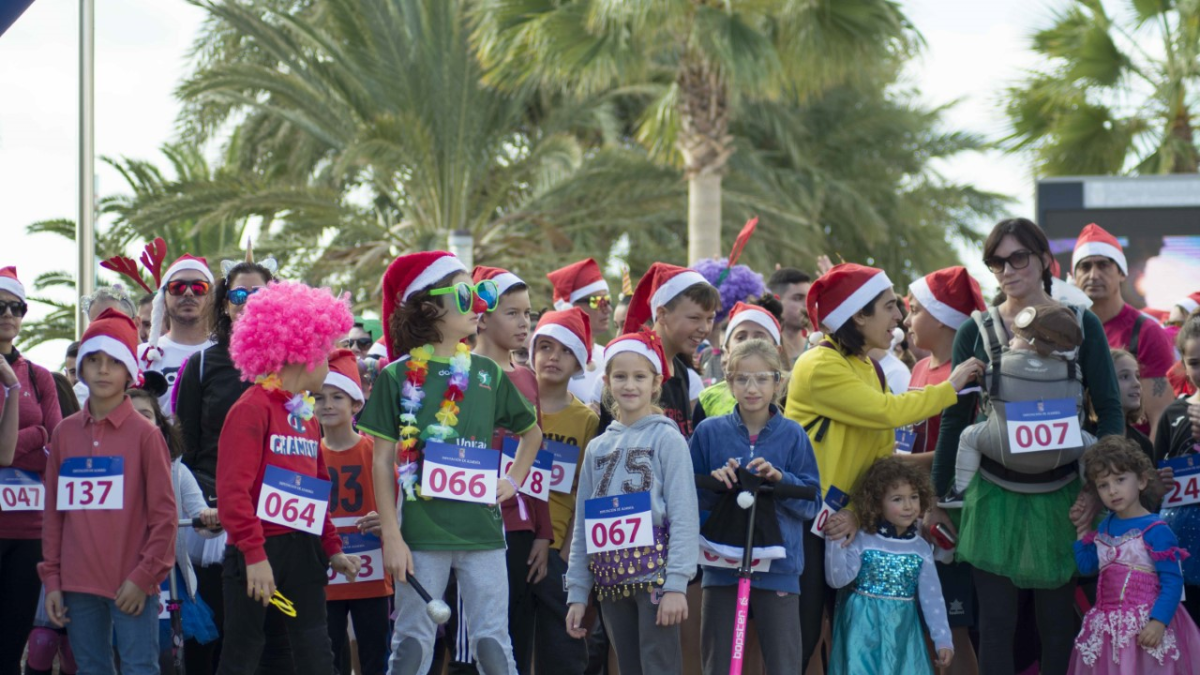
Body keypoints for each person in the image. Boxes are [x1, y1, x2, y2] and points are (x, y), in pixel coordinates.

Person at [929, 218, 1124, 675]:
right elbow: (955, 420)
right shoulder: (975, 330)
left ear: (1043, 261)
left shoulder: (1081, 323)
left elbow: (1110, 410)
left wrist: (1100, 488)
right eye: (997, 262)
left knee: (1057, 625)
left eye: (1018, 257)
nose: (1007, 269)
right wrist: (939, 500)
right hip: (993, 495)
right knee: (996, 625)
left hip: (1063, 497)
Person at [783, 262, 983, 672]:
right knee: (802, 641)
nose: (899, 316)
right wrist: (952, 386)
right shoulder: (819, 364)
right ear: (858, 314)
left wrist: (856, 513)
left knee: (840, 638)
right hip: (803, 521)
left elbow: (878, 459)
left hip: (842, 523)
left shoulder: (867, 365)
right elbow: (886, 412)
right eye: (890, 306)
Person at [359, 251, 542, 675]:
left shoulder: (487, 374)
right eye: (465, 293)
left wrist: (512, 482)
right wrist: (391, 536)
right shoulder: (395, 376)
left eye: (479, 294)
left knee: (494, 643)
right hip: (419, 534)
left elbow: (531, 434)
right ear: (428, 307)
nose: (478, 303)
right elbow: (382, 461)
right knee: (411, 644)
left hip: (483, 532)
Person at [216, 280, 362, 675]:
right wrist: (254, 555)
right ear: (303, 351)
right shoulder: (251, 408)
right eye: (326, 354)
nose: (329, 365)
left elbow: (317, 491)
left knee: (316, 652)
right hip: (258, 554)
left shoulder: (306, 416)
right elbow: (233, 493)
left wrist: (332, 548)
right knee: (243, 654)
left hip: (302, 554)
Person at [39, 309, 178, 675]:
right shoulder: (64, 434)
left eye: (114, 361)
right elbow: (53, 515)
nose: (103, 370)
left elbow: (165, 518)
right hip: (76, 584)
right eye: (94, 360)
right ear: (80, 367)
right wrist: (52, 580)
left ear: (129, 371)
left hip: (132, 583)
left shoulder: (146, 435)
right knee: (90, 668)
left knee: (139, 668)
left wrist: (144, 577)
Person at [564, 330, 699, 675]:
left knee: (659, 664)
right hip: (610, 579)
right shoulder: (597, 448)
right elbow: (583, 524)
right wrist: (578, 591)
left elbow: (684, 514)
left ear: (656, 383)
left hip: (655, 577)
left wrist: (676, 584)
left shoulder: (668, 438)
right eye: (620, 376)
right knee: (628, 666)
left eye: (640, 376)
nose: (630, 385)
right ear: (607, 381)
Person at [689, 339, 821, 674]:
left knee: (783, 663)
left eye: (762, 378)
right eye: (743, 379)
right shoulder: (708, 432)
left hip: (780, 567)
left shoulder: (793, 435)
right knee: (718, 662)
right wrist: (715, 484)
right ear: (729, 382)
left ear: (778, 382)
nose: (752, 388)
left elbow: (812, 504)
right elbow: (688, 501)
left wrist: (780, 479)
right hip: (721, 566)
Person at [174, 255, 277, 674]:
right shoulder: (200, 364)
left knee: (269, 637)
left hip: (275, 514)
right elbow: (188, 447)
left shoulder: (290, 362)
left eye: (259, 293)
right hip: (215, 516)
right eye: (238, 294)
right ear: (225, 303)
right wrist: (206, 507)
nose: (248, 302)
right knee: (213, 633)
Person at [462, 265, 551, 674]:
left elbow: (538, 456)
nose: (524, 323)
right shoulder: (459, 372)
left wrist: (543, 532)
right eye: (512, 313)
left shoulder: (529, 380)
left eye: (528, 313)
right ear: (481, 317)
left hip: (519, 528)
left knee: (515, 636)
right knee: (469, 642)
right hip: (470, 525)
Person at [900, 266, 985, 674]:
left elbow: (957, 449)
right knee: (923, 622)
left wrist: (899, 463)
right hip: (912, 510)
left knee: (953, 625)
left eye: (914, 310)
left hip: (948, 513)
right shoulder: (920, 369)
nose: (906, 319)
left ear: (941, 318)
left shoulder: (966, 372)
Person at [1068, 437, 1200, 673]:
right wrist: (1082, 532)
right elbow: (1087, 566)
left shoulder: (1156, 529)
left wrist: (1159, 621)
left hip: (1146, 627)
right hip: (1109, 631)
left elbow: (1172, 580)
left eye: (1120, 480)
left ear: (1141, 480)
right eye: (1103, 485)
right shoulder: (1106, 526)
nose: (1112, 490)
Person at [944, 302, 1095, 499]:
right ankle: (1089, 489)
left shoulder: (1000, 364)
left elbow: (987, 387)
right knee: (1092, 444)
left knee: (968, 437)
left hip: (1005, 448)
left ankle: (960, 491)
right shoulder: (1071, 369)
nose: (1011, 342)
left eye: (1017, 337)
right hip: (1061, 450)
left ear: (1034, 342)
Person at [825, 457, 953, 674]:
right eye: (897, 499)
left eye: (913, 497)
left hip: (903, 632)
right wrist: (834, 539)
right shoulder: (863, 539)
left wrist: (943, 640)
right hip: (861, 631)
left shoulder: (920, 548)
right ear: (876, 503)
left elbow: (932, 598)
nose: (908, 506)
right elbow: (838, 580)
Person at [526, 308, 598, 675]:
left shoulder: (587, 420)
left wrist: (570, 550)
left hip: (560, 553)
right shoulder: (511, 405)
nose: (553, 357)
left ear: (579, 362)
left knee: (564, 652)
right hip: (512, 543)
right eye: (546, 346)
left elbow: (585, 492)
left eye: (566, 350)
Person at [126, 387, 221, 661]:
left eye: (145, 415)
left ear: (159, 425)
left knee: (167, 655)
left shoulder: (176, 469)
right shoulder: (106, 469)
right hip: (116, 573)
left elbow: (201, 516)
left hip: (165, 576)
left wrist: (210, 519)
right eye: (130, 416)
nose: (138, 422)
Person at [0, 267, 62, 675]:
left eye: (16, 307)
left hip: (28, 527)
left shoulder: (40, 377)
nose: (8, 314)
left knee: (12, 643)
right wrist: (33, 434)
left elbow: (56, 444)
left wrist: (17, 442)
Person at [316, 349, 392, 675]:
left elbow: (397, 505)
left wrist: (388, 520)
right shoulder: (307, 453)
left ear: (356, 404)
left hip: (371, 572)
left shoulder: (375, 451)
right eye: (320, 398)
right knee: (329, 656)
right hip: (326, 574)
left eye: (337, 397)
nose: (328, 405)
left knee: (376, 655)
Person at [1071, 223, 1175, 436]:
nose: (1093, 275)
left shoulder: (1147, 332)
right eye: (1085, 267)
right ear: (1074, 275)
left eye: (1103, 265)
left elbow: (1159, 418)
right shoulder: (1063, 328)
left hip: (1131, 460)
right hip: (1073, 458)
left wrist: (1147, 467)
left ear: (1122, 273)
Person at [613, 262, 720, 438]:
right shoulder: (633, 366)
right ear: (662, 314)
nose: (704, 328)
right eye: (695, 318)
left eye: (710, 319)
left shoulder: (680, 369)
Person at [1152, 312, 1200, 624]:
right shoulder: (1174, 413)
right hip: (1181, 549)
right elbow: (1153, 481)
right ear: (1182, 364)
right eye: (1195, 362)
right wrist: (1156, 485)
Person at [137, 251, 217, 414]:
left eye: (199, 287)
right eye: (177, 287)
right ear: (163, 298)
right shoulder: (142, 356)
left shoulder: (226, 355)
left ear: (211, 297)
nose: (188, 292)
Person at [693, 301, 782, 426]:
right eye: (741, 337)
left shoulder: (790, 393)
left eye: (759, 337)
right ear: (726, 350)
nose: (749, 343)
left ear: (777, 351)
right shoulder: (708, 399)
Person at [548, 259, 613, 405]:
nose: (608, 309)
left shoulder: (610, 356)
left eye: (608, 301)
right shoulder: (552, 360)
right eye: (598, 301)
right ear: (572, 307)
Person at [1089, 348, 1154, 461]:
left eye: (1137, 376)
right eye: (1124, 376)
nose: (1137, 383)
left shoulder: (1143, 443)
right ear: (1101, 384)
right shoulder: (1087, 438)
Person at [766, 267, 812, 368]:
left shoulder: (818, 348)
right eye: (798, 298)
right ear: (776, 301)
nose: (807, 304)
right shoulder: (764, 356)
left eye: (810, 298)